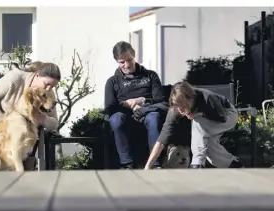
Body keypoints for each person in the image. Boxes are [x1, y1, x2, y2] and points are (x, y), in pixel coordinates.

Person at [0, 61, 61, 169]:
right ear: (37, 75)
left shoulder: (47, 93)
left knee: (27, 138)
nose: (48, 88)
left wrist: (44, 119)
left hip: (26, 127)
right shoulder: (15, 78)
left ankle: (23, 172)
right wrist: (3, 120)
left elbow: (55, 123)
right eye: (46, 84)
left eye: (52, 86)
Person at [144, 82, 243, 169]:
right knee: (211, 151)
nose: (181, 110)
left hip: (227, 114)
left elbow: (222, 117)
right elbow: (161, 140)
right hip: (207, 124)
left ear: (191, 97)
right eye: (178, 106)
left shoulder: (207, 97)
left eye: (183, 105)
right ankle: (233, 163)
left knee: (198, 120)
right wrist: (148, 166)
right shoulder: (175, 110)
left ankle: (197, 163)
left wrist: (201, 114)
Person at [104, 41, 166, 169]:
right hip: (125, 116)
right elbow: (110, 107)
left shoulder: (150, 75)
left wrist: (141, 100)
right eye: (122, 62)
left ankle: (156, 163)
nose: (126, 65)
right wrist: (127, 104)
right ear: (117, 61)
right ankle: (127, 164)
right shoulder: (112, 82)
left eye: (129, 60)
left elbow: (160, 100)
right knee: (115, 119)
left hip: (148, 112)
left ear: (134, 55)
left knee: (154, 117)